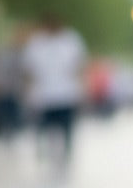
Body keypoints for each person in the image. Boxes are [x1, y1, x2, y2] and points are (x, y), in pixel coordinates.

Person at [21, 12, 87, 170]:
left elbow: (80, 63)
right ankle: (48, 153)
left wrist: (80, 85)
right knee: (46, 127)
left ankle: (66, 153)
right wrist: (29, 90)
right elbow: (28, 69)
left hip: (66, 93)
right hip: (44, 95)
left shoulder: (71, 40)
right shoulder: (36, 43)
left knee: (67, 127)